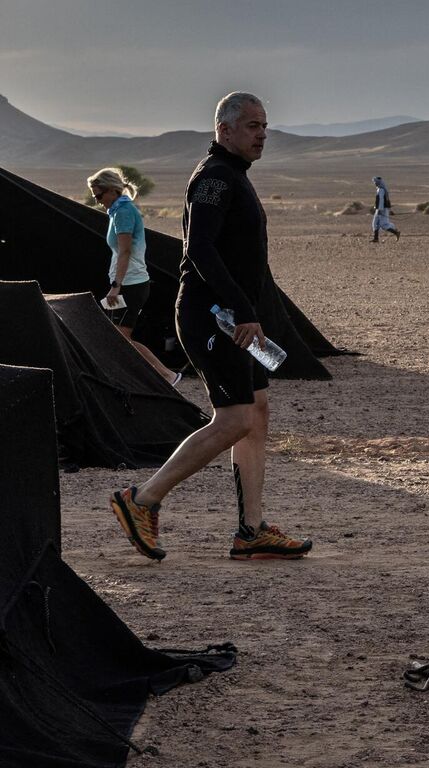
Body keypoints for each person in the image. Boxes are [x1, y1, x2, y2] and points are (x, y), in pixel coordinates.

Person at [107, 92, 312, 562]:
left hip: (231, 317)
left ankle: (252, 529)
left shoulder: (232, 175)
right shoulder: (216, 179)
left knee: (256, 411)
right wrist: (242, 309)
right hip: (212, 318)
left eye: (265, 126)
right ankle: (141, 501)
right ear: (224, 129)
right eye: (252, 126)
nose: (262, 134)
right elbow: (199, 249)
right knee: (236, 417)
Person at [87, 167, 177, 384]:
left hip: (131, 283)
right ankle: (125, 378)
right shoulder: (118, 211)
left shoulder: (123, 212)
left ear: (112, 190)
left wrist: (116, 285)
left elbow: (125, 251)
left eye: (99, 195)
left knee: (121, 336)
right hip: (126, 282)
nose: (98, 201)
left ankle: (167, 375)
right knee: (115, 335)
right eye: (94, 196)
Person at [370, 176, 400, 241]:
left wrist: (380, 210)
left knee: (384, 225)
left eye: (375, 182)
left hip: (382, 210)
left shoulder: (381, 190)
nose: (375, 183)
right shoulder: (379, 189)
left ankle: (396, 232)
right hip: (378, 209)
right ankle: (376, 238)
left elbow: (381, 200)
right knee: (375, 223)